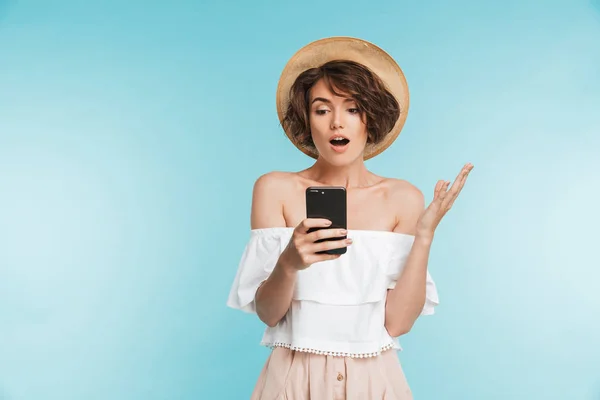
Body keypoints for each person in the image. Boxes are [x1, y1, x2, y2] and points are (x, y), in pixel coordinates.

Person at [227, 36, 473, 400]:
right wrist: (290, 263)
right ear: (306, 119)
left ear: (370, 118)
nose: (336, 123)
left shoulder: (402, 198)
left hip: (376, 379)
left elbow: (398, 323)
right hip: (292, 377)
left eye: (353, 109)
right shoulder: (274, 189)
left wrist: (424, 236)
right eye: (322, 110)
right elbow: (268, 313)